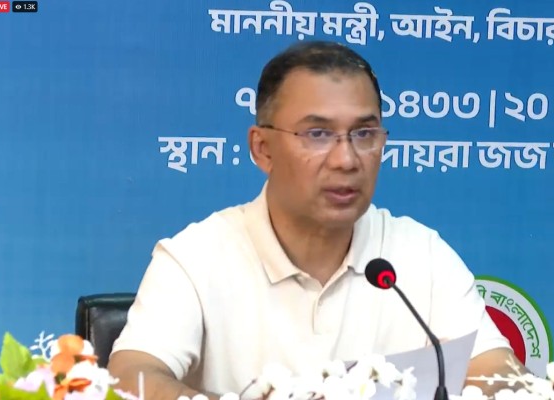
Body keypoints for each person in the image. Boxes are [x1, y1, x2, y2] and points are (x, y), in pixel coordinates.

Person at [107, 40, 524, 400]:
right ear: (262, 148)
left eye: (364, 134)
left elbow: (500, 374)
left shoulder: (420, 254)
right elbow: (131, 377)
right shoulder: (195, 257)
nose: (346, 160)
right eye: (318, 134)